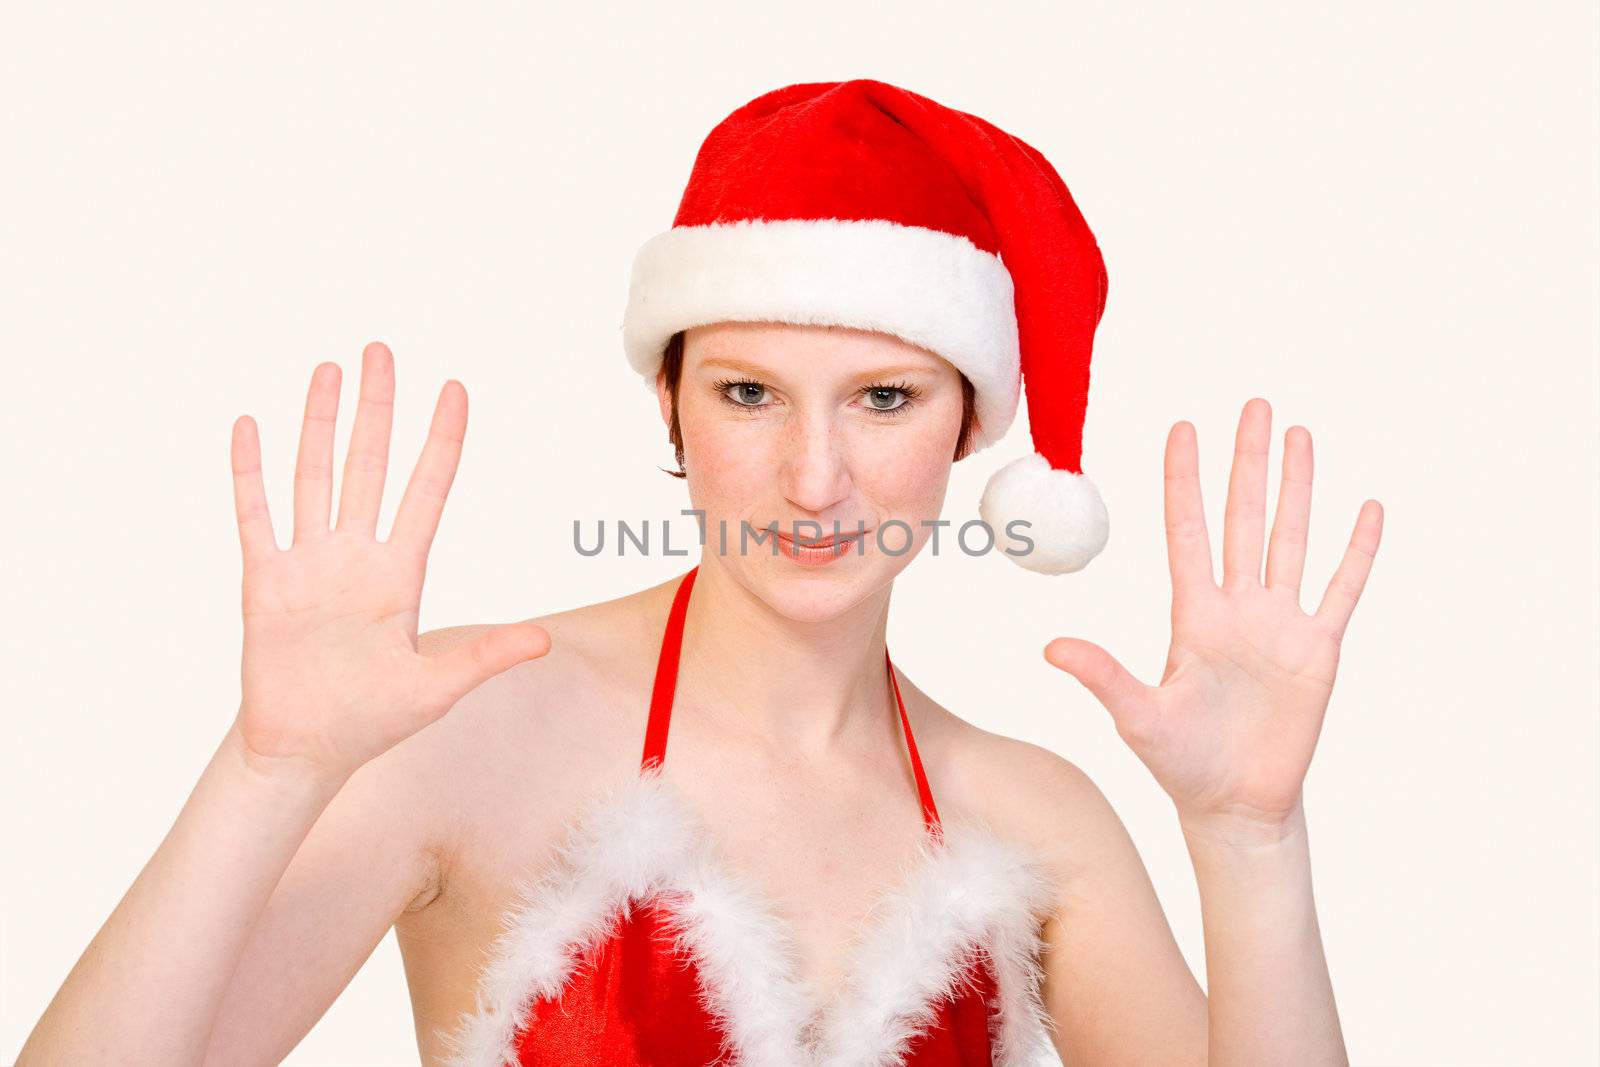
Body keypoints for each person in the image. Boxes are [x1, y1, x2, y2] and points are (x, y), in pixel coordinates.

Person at [19, 80, 1379, 1066]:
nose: (814, 478)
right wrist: (267, 774)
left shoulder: (1035, 816)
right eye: (749, 393)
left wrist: (1252, 845)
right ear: (669, 404)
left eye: (886, 400)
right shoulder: (470, 731)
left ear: (970, 427)